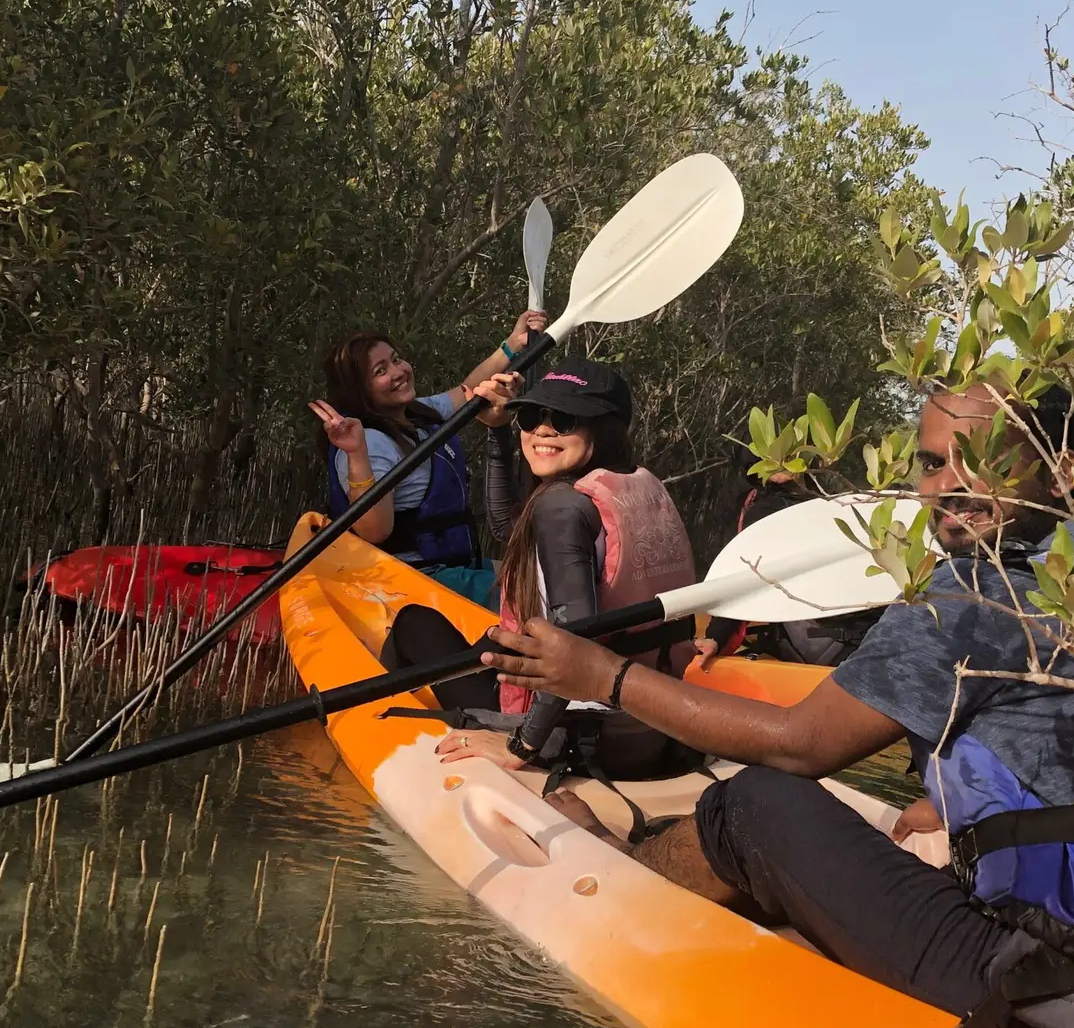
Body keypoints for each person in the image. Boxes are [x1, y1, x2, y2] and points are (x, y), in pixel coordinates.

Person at [481, 379, 1074, 1028]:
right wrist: (950, 805)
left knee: (754, 805)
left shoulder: (971, 597)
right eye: (931, 462)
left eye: (983, 456)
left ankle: (622, 867)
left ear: (1057, 467)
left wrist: (602, 677)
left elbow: (801, 746)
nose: (949, 484)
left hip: (1062, 986)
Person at [429, 357, 697, 782]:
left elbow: (572, 640)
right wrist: (498, 431)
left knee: (416, 628)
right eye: (533, 415)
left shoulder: (563, 505)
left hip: (582, 740)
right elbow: (506, 526)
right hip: (654, 728)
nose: (543, 429)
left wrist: (521, 746)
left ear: (602, 428)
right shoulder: (635, 484)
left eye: (565, 419)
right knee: (474, 648)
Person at [309, 312, 545, 606]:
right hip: (414, 578)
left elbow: (467, 392)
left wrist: (511, 345)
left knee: (541, 576)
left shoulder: (414, 413)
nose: (397, 372)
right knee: (541, 594)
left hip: (452, 565)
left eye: (396, 359)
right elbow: (375, 530)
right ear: (358, 389)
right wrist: (356, 452)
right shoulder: (370, 441)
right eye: (380, 371)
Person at [694, 470, 884, 670]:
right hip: (837, 642)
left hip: (847, 641)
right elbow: (742, 578)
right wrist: (716, 637)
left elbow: (740, 579)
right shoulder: (767, 507)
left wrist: (717, 636)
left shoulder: (829, 497)